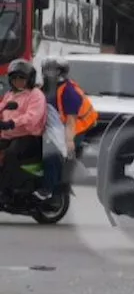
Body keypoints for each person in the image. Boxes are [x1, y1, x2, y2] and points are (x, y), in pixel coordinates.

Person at [37, 56, 97, 199]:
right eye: (47, 70)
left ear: (61, 72)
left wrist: (68, 142)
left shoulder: (69, 92)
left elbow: (71, 121)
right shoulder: (45, 88)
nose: (48, 73)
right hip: (58, 127)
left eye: (53, 70)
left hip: (77, 128)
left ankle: (48, 189)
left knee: (51, 154)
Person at [0, 60, 48, 200]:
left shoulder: (35, 95)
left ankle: (5, 192)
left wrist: (11, 123)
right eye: (15, 78)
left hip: (28, 137)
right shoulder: (11, 94)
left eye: (22, 78)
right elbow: (2, 107)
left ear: (29, 79)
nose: (18, 82)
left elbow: (32, 117)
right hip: (9, 136)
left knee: (10, 154)